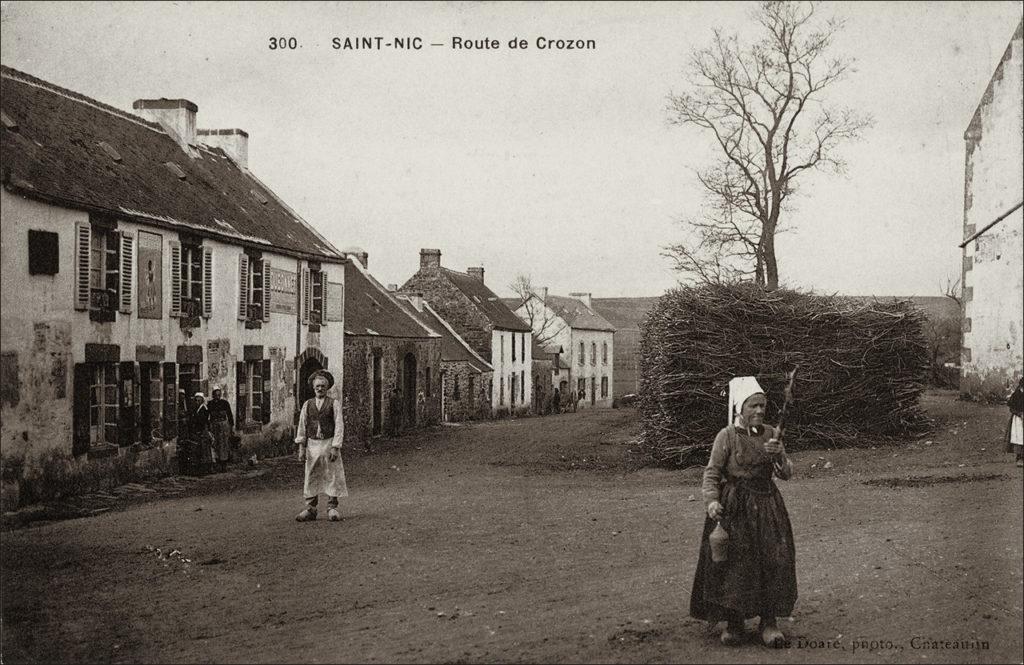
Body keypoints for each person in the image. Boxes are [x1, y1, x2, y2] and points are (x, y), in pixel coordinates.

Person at [690, 376, 797, 648]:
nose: (759, 411)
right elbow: (712, 473)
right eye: (753, 406)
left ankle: (769, 622)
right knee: (737, 565)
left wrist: (780, 455)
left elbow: (785, 474)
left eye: (762, 406)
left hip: (768, 507)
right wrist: (712, 501)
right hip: (735, 509)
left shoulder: (772, 434)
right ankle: (735, 623)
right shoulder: (726, 436)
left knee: (773, 560)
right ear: (740, 408)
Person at [294, 370, 348, 522]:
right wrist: (301, 447)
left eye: (323, 386)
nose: (320, 389)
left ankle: (332, 507)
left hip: (328, 443)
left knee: (332, 475)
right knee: (311, 475)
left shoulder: (334, 404)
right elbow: (302, 426)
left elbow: (339, 425)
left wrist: (336, 447)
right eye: (317, 386)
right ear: (313, 387)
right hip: (312, 445)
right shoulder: (307, 404)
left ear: (327, 387)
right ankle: (310, 508)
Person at [207, 387, 235, 472]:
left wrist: (231, 427)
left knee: (223, 444)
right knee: (215, 444)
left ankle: (224, 464)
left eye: (219, 395)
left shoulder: (225, 403)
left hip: (223, 426)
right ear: (213, 395)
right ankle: (216, 464)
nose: (217, 397)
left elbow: (229, 415)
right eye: (215, 395)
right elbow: (208, 415)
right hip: (214, 425)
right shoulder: (210, 404)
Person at [189, 392, 212, 475]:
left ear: (202, 400)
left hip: (203, 430)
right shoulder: (196, 409)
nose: (197, 402)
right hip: (198, 431)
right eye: (196, 400)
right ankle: (200, 469)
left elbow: (203, 421)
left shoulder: (204, 409)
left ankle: (206, 468)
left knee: (204, 450)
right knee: (198, 450)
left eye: (199, 400)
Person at [1007, 377, 1024, 467]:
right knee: (1019, 437)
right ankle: (1020, 457)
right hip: (1019, 419)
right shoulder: (1017, 395)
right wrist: (1019, 413)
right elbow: (1011, 407)